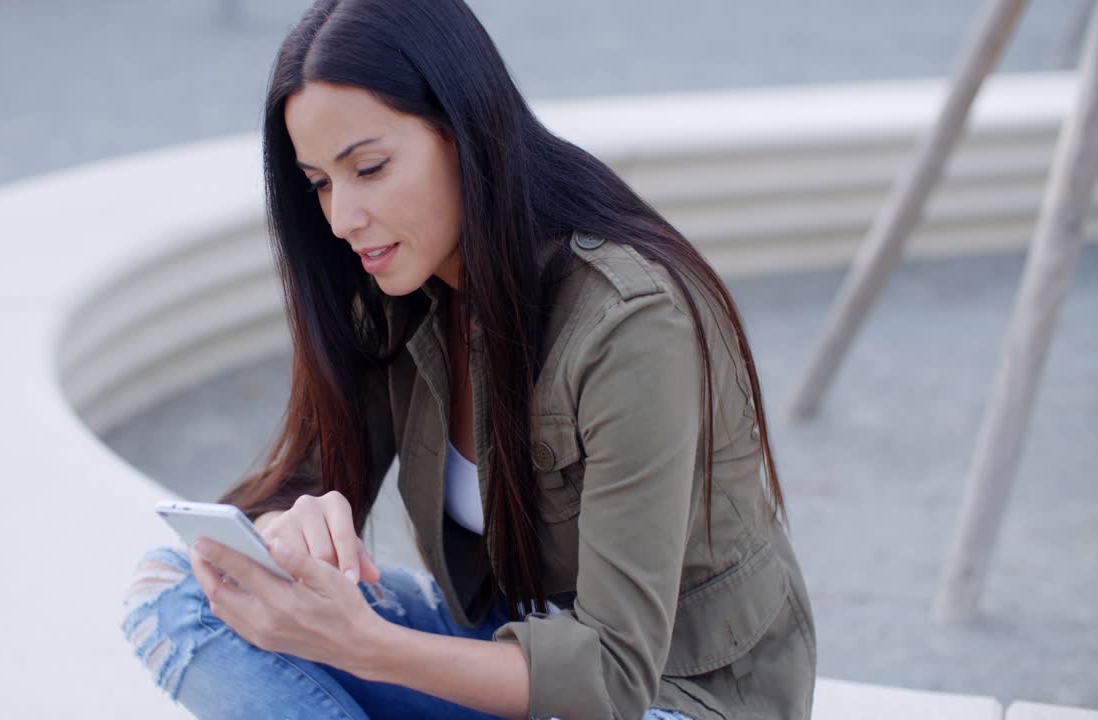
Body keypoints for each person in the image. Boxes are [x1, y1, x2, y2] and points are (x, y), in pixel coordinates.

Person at [120, 0, 816, 718]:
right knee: (184, 586)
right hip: (497, 642)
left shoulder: (630, 322)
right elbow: (302, 481)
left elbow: (612, 675)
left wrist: (363, 645)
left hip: (668, 694)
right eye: (320, 182)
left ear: (464, 133)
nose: (341, 218)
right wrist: (279, 531)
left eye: (370, 167)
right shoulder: (393, 284)